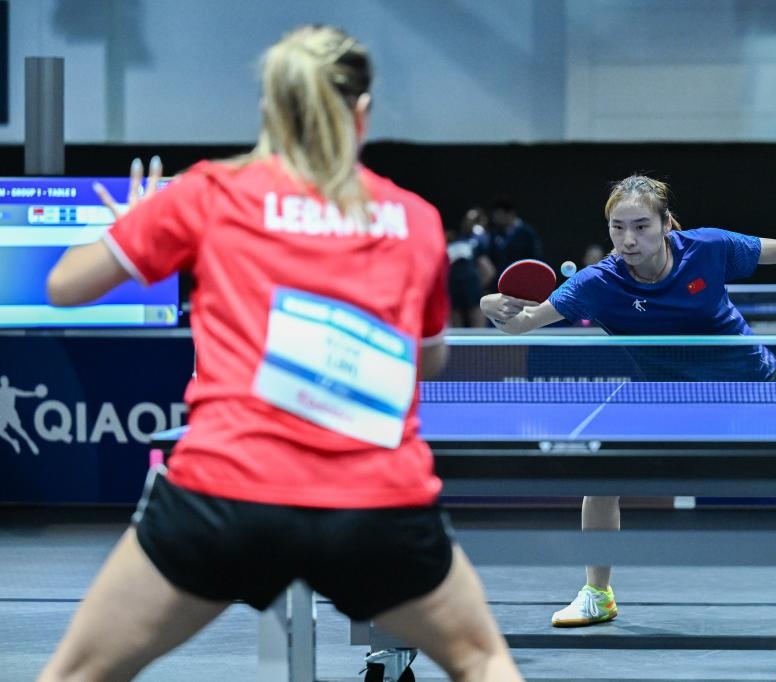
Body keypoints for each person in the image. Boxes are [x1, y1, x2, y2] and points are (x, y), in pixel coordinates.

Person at [39, 25, 521, 682]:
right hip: (373, 506)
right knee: (483, 660)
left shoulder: (207, 192)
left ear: (269, 108)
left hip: (223, 499)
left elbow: (64, 287)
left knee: (74, 673)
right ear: (362, 110)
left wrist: (135, 224)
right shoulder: (413, 218)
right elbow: (427, 362)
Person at [480, 174, 776, 629]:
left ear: (667, 224)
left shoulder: (707, 248)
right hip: (670, 399)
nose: (629, 240)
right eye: (618, 228)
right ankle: (597, 594)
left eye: (641, 226)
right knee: (601, 478)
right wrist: (491, 305)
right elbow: (521, 324)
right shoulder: (599, 283)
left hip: (756, 383)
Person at [446, 207, 496, 328]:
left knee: (477, 323)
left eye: (474, 219)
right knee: (455, 322)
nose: (469, 222)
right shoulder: (457, 239)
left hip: (472, 290)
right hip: (454, 288)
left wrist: (476, 285)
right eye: (468, 219)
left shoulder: (480, 238)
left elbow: (489, 271)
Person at [488, 196, 543, 274]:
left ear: (510, 213)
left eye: (498, 214)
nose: (494, 218)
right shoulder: (494, 233)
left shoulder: (527, 233)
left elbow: (535, 257)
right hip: (501, 277)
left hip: (522, 276)